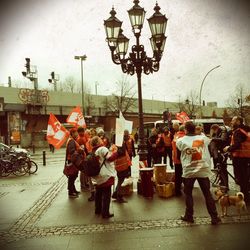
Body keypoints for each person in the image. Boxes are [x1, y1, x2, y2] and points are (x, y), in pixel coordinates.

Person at [176, 121, 221, 225]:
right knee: (207, 193)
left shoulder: (181, 141)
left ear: (185, 130)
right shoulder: (203, 138)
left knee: (188, 194)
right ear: (194, 128)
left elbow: (179, 156)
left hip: (189, 170)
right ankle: (214, 217)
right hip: (202, 169)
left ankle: (189, 216)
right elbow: (209, 145)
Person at [223, 116, 250, 203]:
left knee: (241, 178)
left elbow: (237, 144)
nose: (231, 122)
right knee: (245, 178)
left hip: (239, 157)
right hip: (246, 156)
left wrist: (228, 148)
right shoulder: (245, 130)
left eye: (233, 120)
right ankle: (245, 195)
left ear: (238, 121)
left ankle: (245, 198)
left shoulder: (238, 132)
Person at [90, 136, 117, 219]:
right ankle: (105, 213)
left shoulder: (93, 151)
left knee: (98, 193)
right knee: (106, 194)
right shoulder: (102, 149)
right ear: (98, 142)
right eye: (100, 139)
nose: (101, 140)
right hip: (105, 175)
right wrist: (117, 152)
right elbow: (110, 158)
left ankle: (98, 210)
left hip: (97, 176)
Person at [76, 126, 95, 201]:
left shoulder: (84, 138)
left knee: (85, 172)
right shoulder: (80, 139)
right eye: (83, 131)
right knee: (83, 172)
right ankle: (83, 184)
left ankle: (85, 183)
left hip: (85, 157)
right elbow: (83, 148)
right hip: (83, 157)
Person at [209, 124, 229, 189]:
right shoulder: (218, 132)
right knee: (220, 169)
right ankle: (222, 183)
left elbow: (223, 139)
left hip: (223, 153)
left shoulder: (222, 130)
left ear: (214, 129)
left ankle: (225, 185)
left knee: (223, 169)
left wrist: (212, 138)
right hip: (219, 153)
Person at [65, 128, 81, 198]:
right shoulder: (71, 141)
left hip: (72, 160)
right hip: (72, 161)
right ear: (72, 133)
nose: (77, 134)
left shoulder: (72, 140)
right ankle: (71, 192)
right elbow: (72, 151)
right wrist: (79, 151)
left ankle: (73, 190)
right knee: (72, 176)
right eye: (76, 133)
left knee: (73, 176)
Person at [172, 123, 185, 196]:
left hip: (176, 158)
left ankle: (177, 190)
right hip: (182, 159)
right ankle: (184, 189)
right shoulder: (183, 137)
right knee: (184, 174)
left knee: (177, 175)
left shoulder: (176, 135)